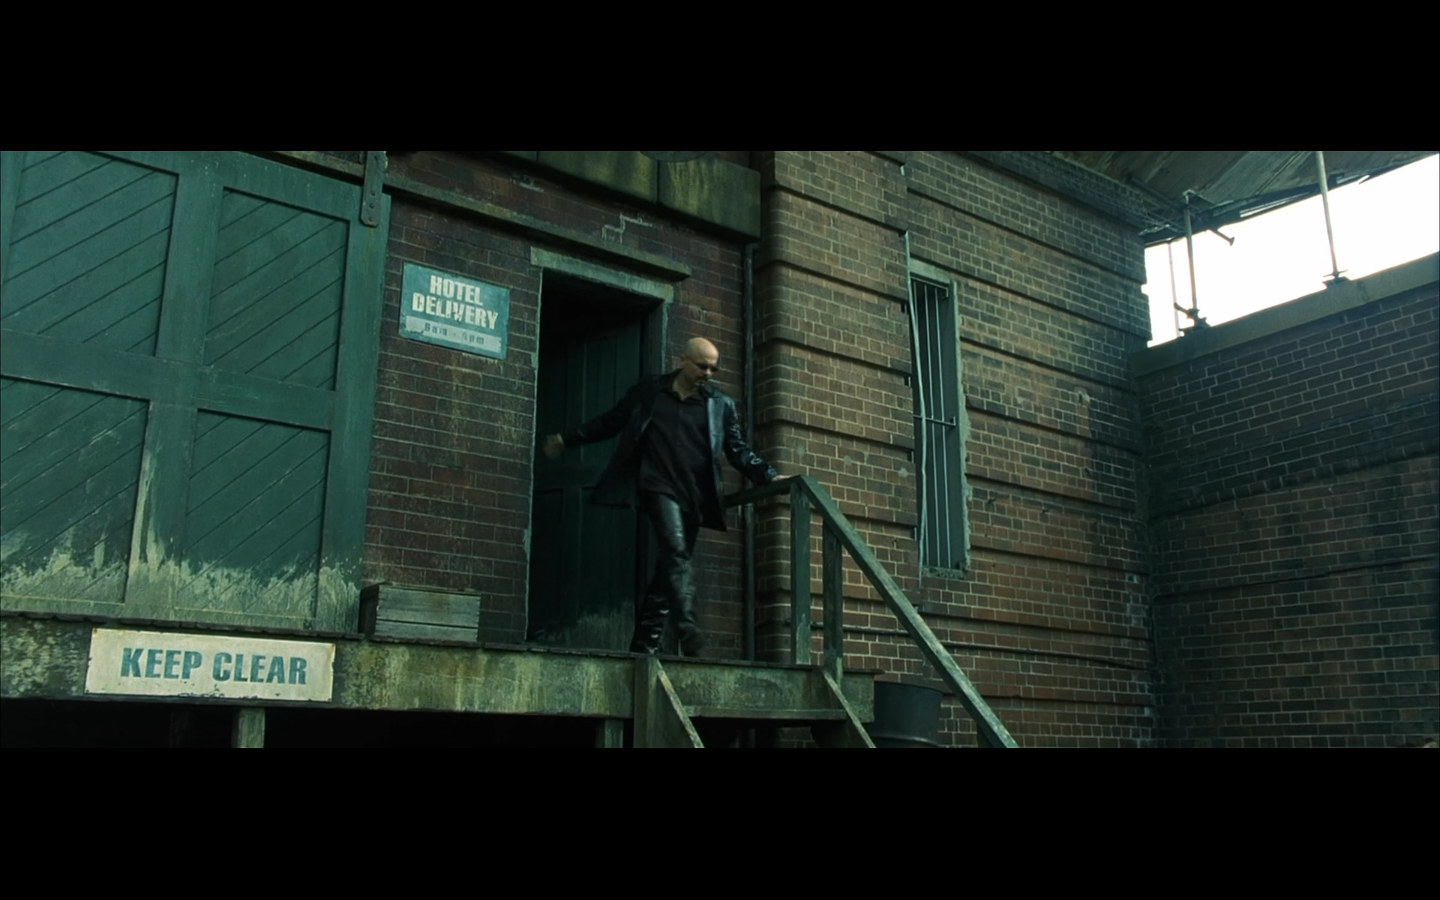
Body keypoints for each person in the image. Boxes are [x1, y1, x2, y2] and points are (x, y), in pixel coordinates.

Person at [543, 337, 786, 656]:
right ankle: (687, 624)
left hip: (695, 495)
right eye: (702, 366)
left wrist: (769, 475)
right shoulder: (651, 391)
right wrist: (568, 439)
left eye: (713, 368)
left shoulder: (720, 404)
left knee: (668, 569)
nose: (708, 373)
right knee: (675, 552)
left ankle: (643, 646)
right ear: (683, 361)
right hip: (657, 485)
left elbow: (737, 450)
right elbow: (612, 421)